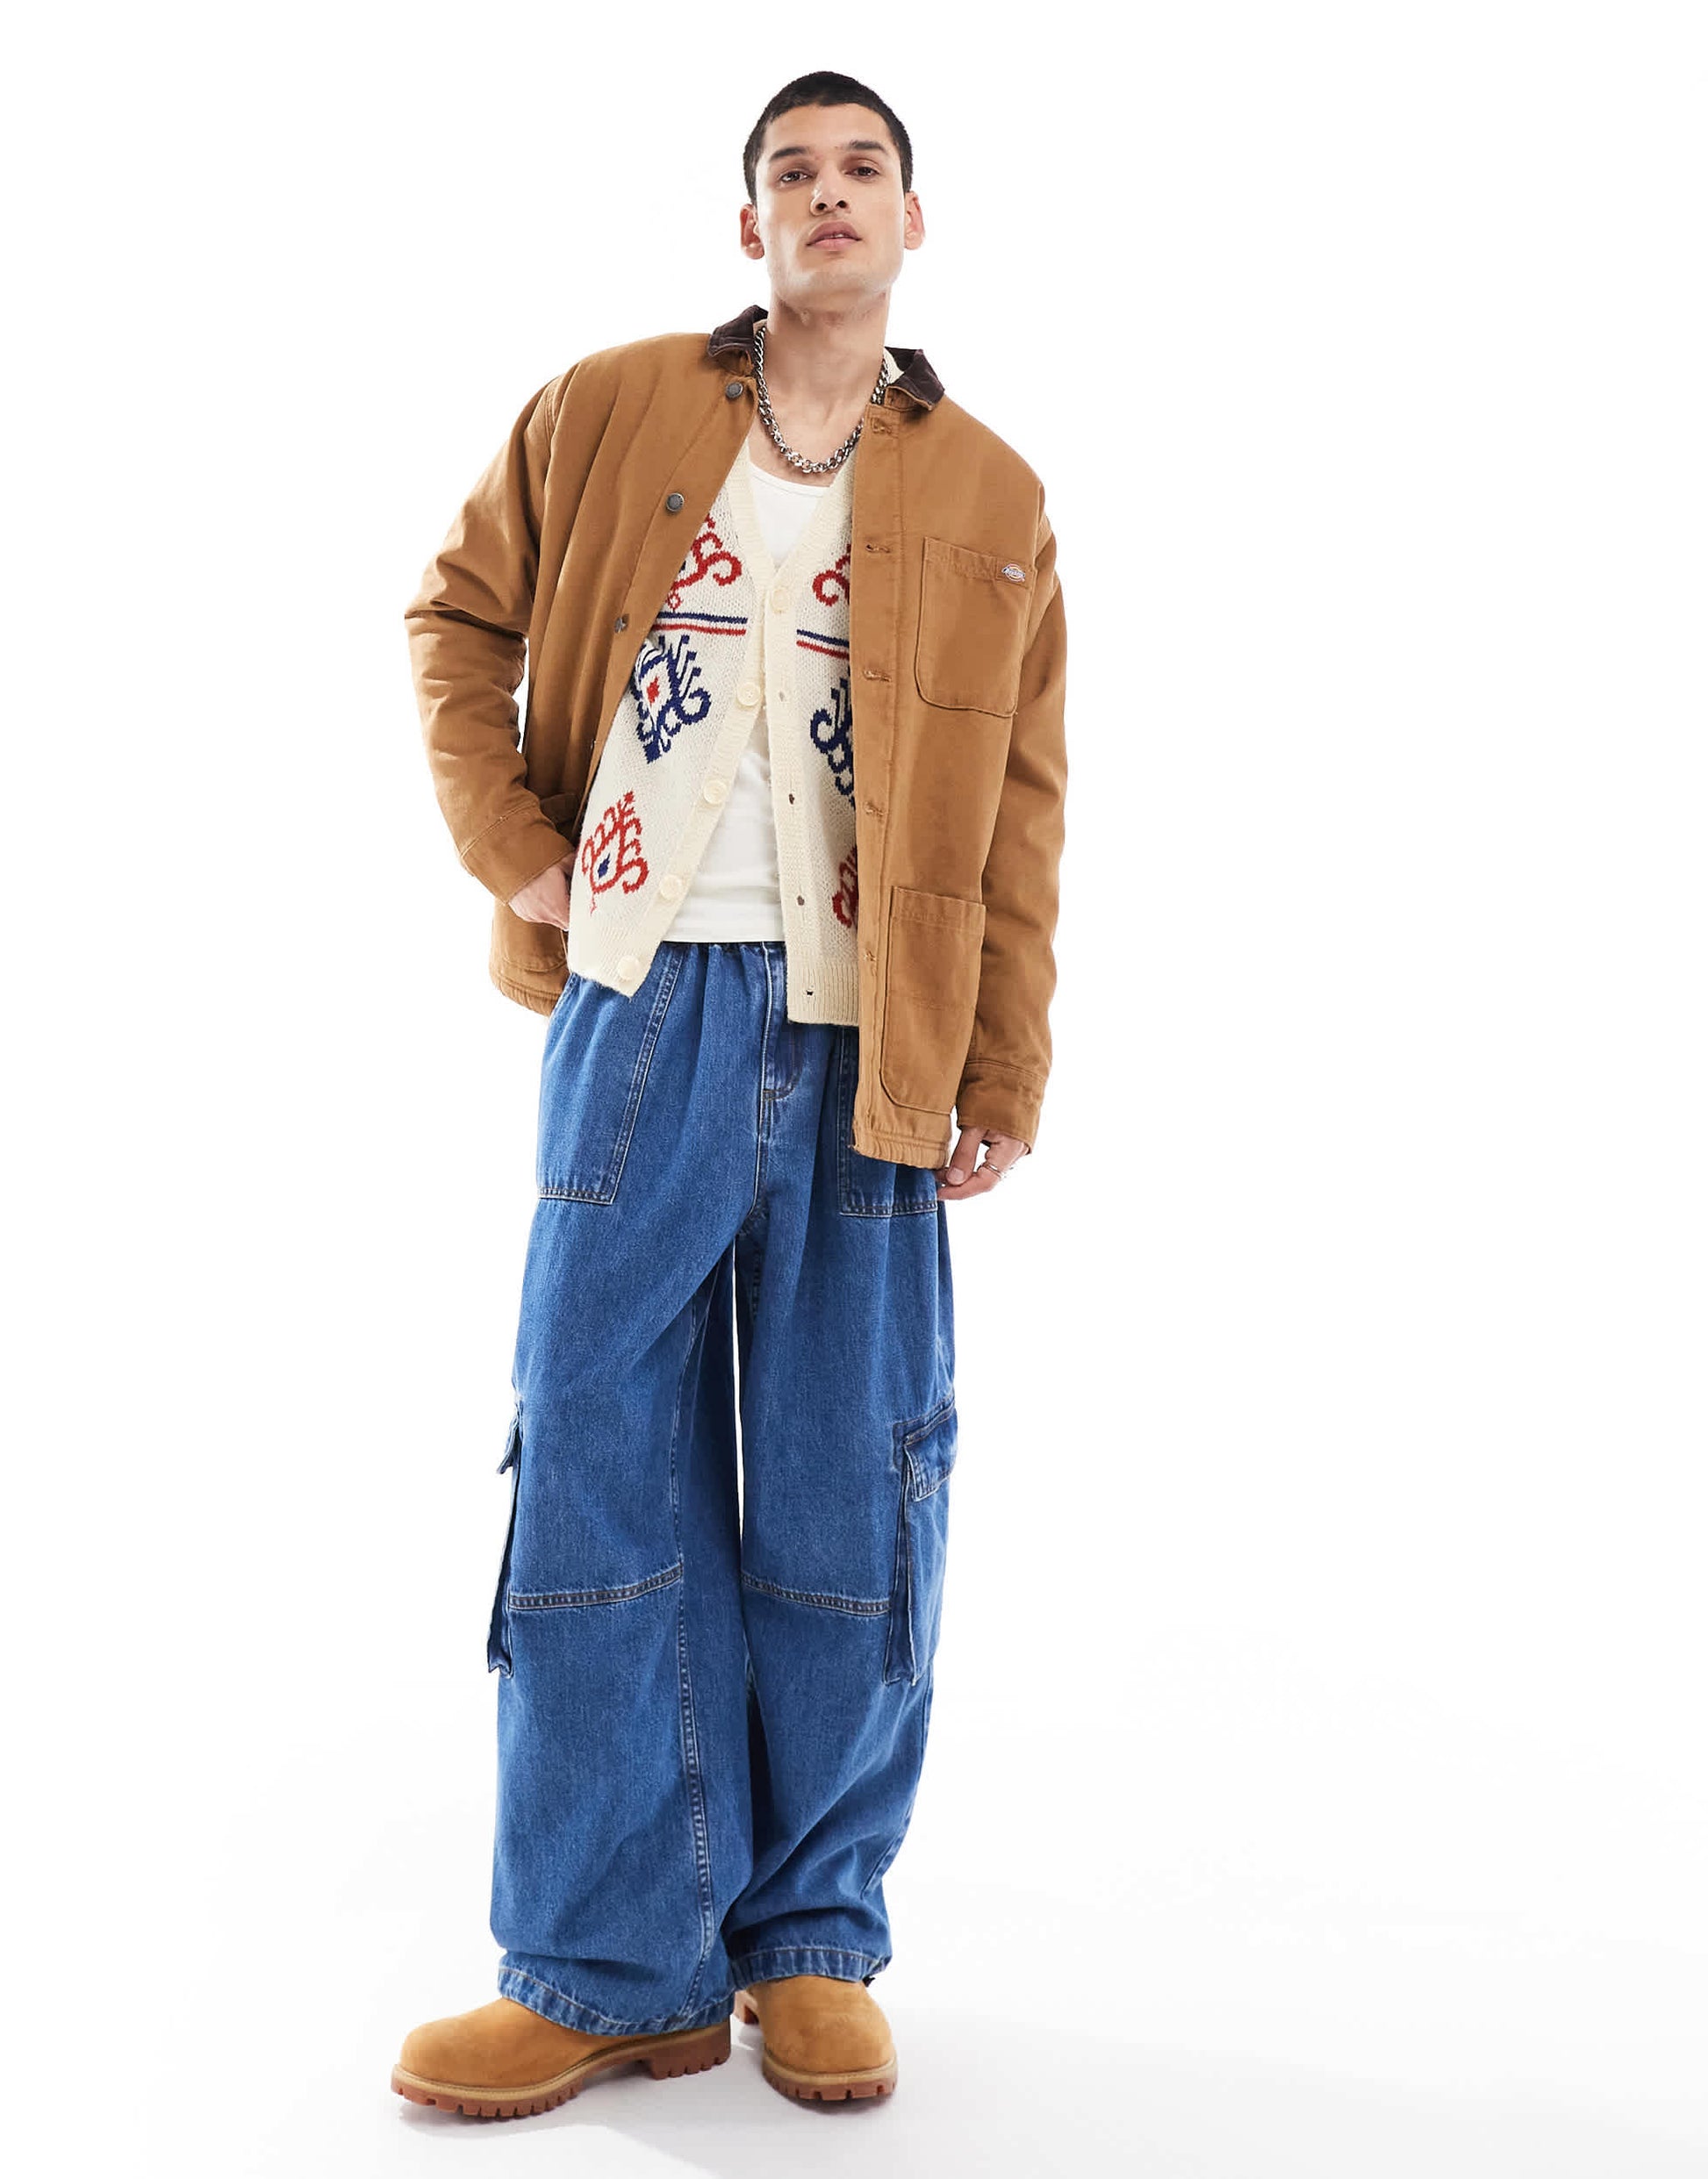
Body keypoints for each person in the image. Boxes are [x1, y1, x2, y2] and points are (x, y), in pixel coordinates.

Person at [391, 68, 1068, 2120]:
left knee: (858, 1478)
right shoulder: (607, 409)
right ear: (748, 225)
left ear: (913, 222)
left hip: (879, 1028)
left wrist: (1002, 1057)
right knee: (597, 1454)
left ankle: (809, 1943)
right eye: (793, 171)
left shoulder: (993, 496)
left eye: (863, 169)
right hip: (641, 999)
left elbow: (1024, 802)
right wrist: (517, 851)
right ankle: (609, 1965)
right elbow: (454, 615)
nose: (827, 194)